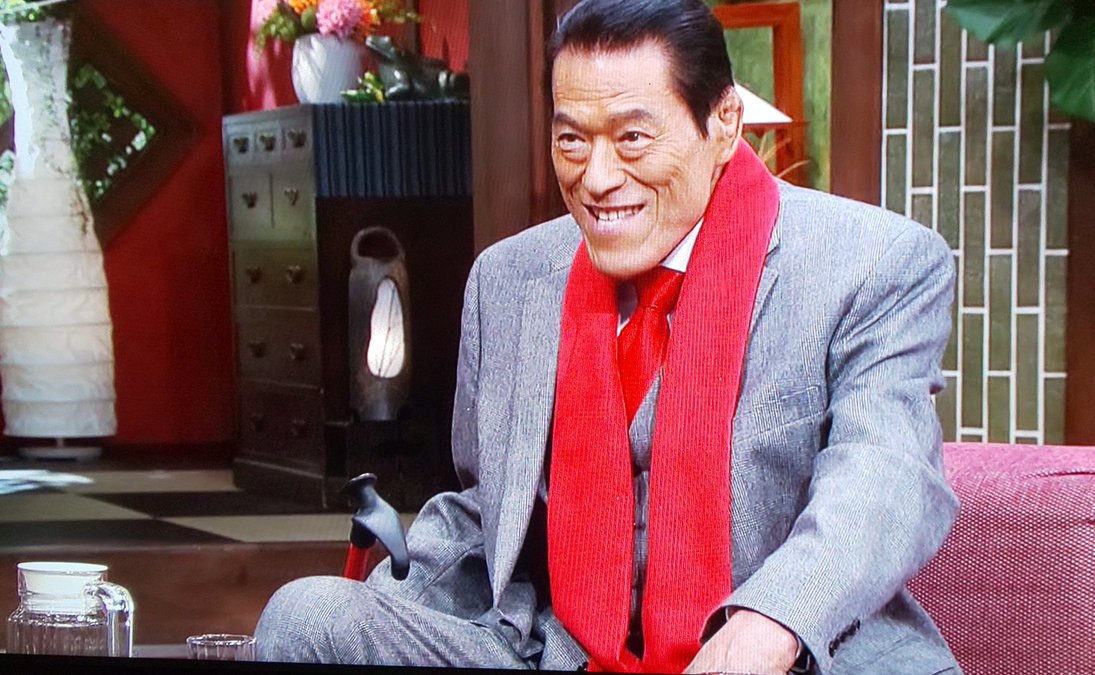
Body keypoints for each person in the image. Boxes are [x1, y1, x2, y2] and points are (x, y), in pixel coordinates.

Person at [254, 1, 961, 673]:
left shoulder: (872, 263)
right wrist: (390, 601)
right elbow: (485, 511)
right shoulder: (508, 279)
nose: (596, 179)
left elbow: (884, 478)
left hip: (781, 654)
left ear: (724, 122)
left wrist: (769, 623)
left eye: (632, 138)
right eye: (572, 139)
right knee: (309, 617)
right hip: (564, 651)